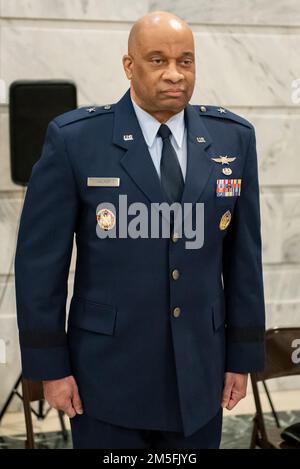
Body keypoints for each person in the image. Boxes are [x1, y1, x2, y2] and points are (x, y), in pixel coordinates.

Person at [15, 11, 265, 449]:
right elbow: (41, 267)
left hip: (200, 372)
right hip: (106, 375)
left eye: (185, 61)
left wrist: (241, 358)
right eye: (157, 60)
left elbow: (244, 261)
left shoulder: (233, 140)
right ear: (129, 66)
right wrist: (50, 368)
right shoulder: (76, 140)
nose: (174, 74)